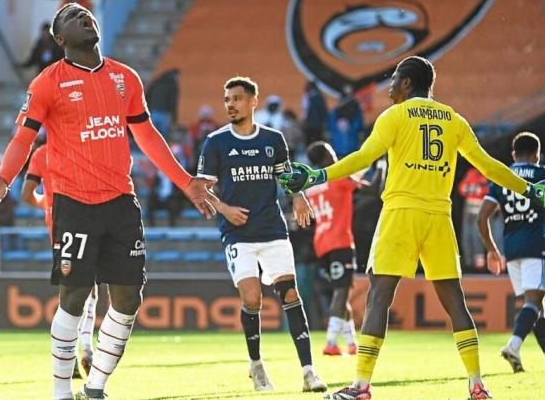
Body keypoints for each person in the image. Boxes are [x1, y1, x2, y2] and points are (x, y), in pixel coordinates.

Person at [0, 2, 215, 400]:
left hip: (121, 201)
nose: (84, 16)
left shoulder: (125, 78)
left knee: (128, 298)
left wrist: (185, 182)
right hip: (73, 203)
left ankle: (96, 387)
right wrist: (4, 178)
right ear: (61, 38)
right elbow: (24, 136)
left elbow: (147, 135)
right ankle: (60, 391)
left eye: (86, 13)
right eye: (71, 17)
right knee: (74, 297)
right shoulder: (47, 83)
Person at [279, 56, 545, 400]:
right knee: (455, 302)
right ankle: (477, 385)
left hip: (401, 214)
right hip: (438, 217)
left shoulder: (394, 116)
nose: (389, 87)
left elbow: (363, 157)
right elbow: (489, 165)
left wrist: (318, 175)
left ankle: (360, 387)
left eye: (393, 80)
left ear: (407, 83)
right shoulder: (453, 119)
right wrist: (530, 188)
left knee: (378, 297)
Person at [197, 76, 327, 394]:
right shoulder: (216, 142)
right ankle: (256, 366)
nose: (230, 104)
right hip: (237, 234)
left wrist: (298, 196)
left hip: (272, 229)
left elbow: (286, 176)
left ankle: (309, 372)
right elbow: (200, 189)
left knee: (290, 296)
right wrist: (225, 210)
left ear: (253, 101)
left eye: (237, 98)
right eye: (227, 99)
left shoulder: (273, 139)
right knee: (252, 298)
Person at [22, 143, 98, 379]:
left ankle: (74, 354)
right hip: (85, 218)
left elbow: (27, 194)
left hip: (56, 223)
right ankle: (84, 348)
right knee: (89, 290)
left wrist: (48, 204)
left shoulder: (40, 154)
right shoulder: (84, 149)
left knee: (71, 290)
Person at [477, 132, 545, 372]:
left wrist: (491, 250)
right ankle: (513, 346)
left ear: (514, 155)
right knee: (534, 302)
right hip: (538, 246)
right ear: (537, 154)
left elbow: (482, 216)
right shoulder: (542, 174)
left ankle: (517, 355)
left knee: (535, 307)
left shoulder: (501, 177)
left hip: (511, 248)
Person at [305, 141, 359, 356]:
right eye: (331, 151)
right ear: (326, 157)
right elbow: (370, 188)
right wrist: (382, 166)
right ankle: (330, 341)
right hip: (340, 241)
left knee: (341, 291)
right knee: (341, 290)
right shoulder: (338, 178)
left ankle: (352, 342)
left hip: (321, 243)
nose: (335, 155)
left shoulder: (312, 186)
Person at [458, 167, 489, 270]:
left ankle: (479, 262)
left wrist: (471, 188)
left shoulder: (486, 173)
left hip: (479, 211)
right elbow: (461, 188)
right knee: (466, 235)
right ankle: (468, 261)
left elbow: (486, 190)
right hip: (468, 211)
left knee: (477, 236)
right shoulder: (471, 172)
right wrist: (476, 189)